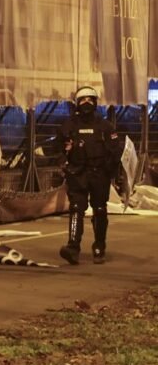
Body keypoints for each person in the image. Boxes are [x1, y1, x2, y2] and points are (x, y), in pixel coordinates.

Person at [57, 86, 122, 265]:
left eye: (90, 100)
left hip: (99, 174)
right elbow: (58, 147)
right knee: (76, 208)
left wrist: (109, 170)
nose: (86, 103)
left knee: (99, 210)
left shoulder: (105, 126)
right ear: (77, 103)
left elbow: (116, 150)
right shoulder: (69, 125)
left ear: (95, 102)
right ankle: (72, 248)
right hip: (77, 173)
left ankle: (99, 246)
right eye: (83, 100)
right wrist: (65, 160)